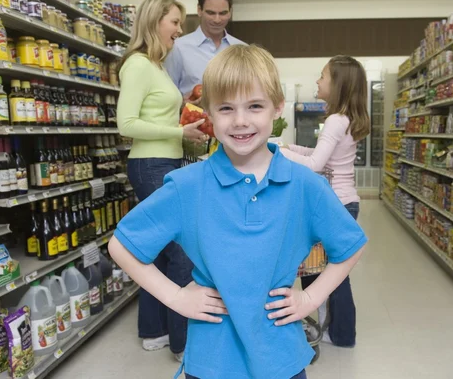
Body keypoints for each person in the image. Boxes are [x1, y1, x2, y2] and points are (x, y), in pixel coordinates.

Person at [108, 44, 367, 379]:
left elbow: (350, 245)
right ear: (208, 114)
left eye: (255, 106)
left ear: (277, 108)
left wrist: (310, 298)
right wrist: (176, 296)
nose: (241, 121)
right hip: (211, 360)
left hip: (281, 357)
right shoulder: (187, 186)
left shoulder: (305, 185)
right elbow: (122, 245)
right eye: (226, 108)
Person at [116, 0, 209, 359]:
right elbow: (126, 124)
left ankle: (153, 330)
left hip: (163, 162)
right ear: (155, 21)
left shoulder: (156, 66)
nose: (179, 30)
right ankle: (183, 344)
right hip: (150, 163)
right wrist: (178, 133)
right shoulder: (138, 65)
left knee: (157, 252)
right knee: (182, 251)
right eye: (174, 21)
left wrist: (187, 125)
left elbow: (156, 117)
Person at [280, 56, 371, 348]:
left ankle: (336, 332)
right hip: (347, 203)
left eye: (322, 76)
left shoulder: (334, 120)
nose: (317, 82)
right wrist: (288, 147)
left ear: (338, 84)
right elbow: (320, 153)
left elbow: (316, 164)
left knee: (326, 273)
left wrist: (276, 154)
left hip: (334, 204)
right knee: (335, 270)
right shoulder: (346, 119)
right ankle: (340, 332)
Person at [165, 0, 245, 98]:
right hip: (192, 116)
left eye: (223, 13)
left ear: (230, 12)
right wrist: (183, 105)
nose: (217, 20)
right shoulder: (177, 48)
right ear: (199, 10)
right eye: (211, 13)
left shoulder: (243, 50)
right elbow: (168, 97)